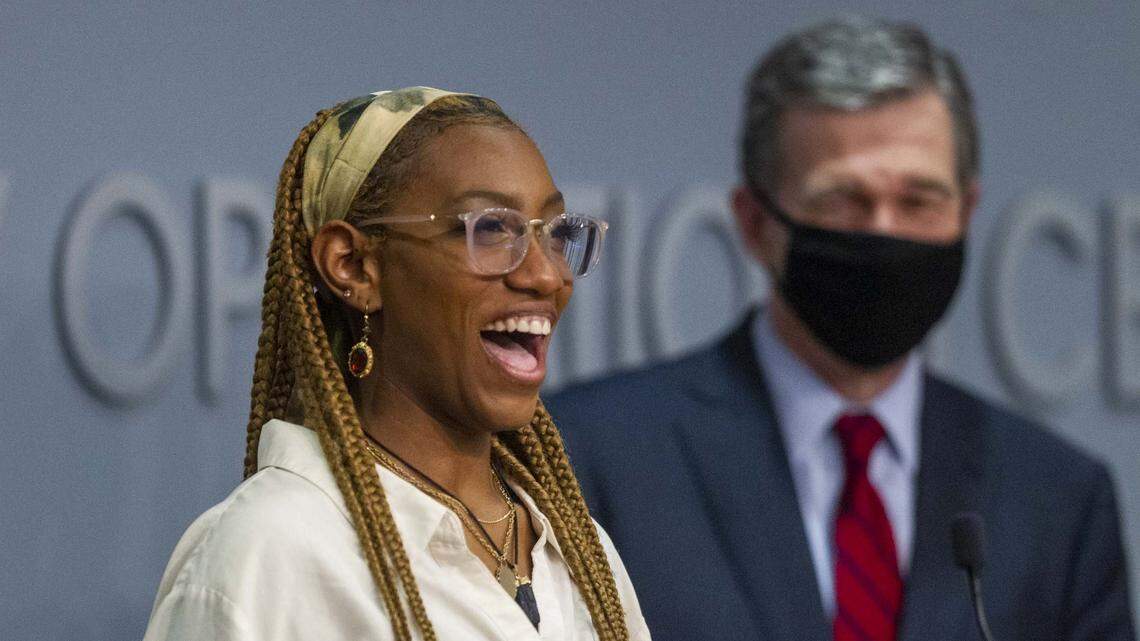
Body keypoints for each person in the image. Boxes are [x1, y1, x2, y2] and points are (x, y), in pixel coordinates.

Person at [546, 17, 1135, 641]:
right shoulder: (587, 460)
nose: (883, 231)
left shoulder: (1058, 498)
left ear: (966, 211)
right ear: (753, 223)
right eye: (841, 200)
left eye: (919, 200)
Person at [143, 86, 651, 641]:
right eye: (490, 229)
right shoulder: (266, 557)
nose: (547, 276)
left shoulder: (581, 552)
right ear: (353, 266)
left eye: (555, 233)